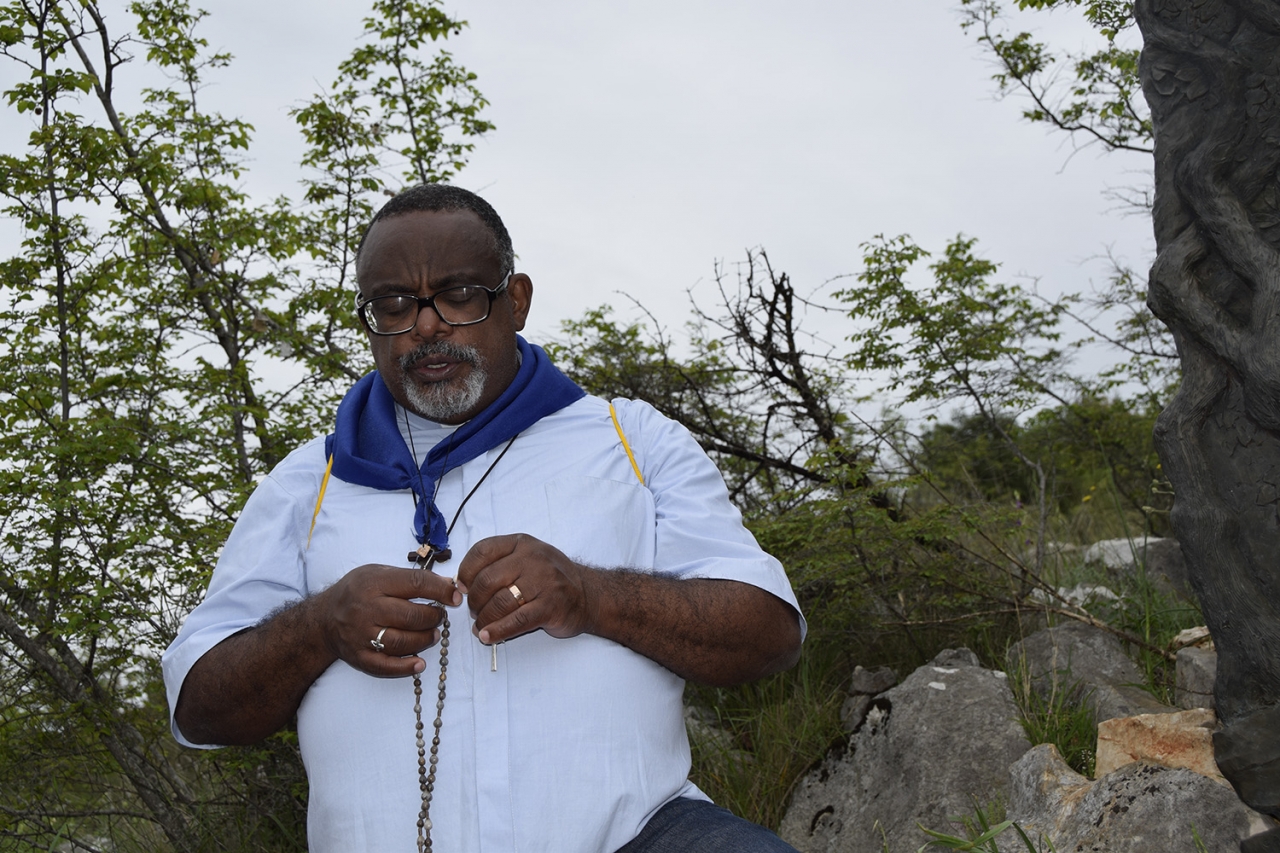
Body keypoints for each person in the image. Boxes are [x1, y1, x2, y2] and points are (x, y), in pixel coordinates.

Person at [162, 184, 805, 853]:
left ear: (516, 300)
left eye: (460, 294)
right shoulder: (306, 484)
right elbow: (199, 706)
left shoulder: (633, 442)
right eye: (394, 304)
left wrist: (592, 595)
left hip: (640, 837)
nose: (426, 326)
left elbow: (770, 633)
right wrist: (319, 626)